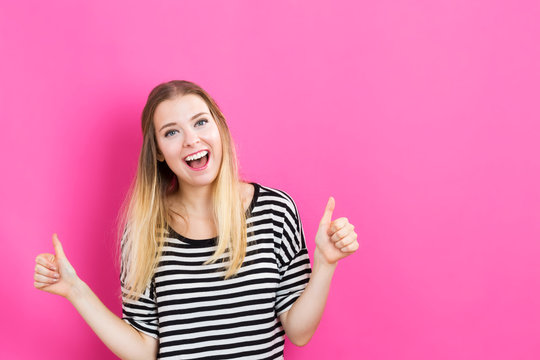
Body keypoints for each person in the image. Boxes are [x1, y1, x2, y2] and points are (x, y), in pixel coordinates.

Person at [33, 80, 359, 359]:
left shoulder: (275, 210)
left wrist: (325, 265)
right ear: (158, 151)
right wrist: (76, 290)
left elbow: (299, 332)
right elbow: (145, 349)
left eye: (201, 122)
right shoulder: (144, 232)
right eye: (172, 132)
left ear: (219, 127)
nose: (191, 140)